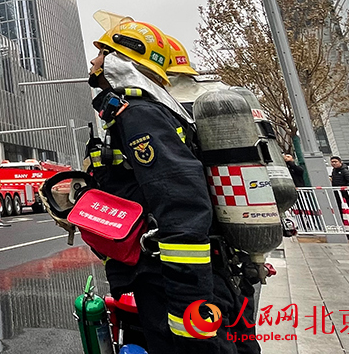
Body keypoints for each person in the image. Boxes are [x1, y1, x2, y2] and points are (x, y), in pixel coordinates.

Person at [82, 19, 244, 353]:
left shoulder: (138, 115)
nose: (93, 61)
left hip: (173, 280)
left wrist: (188, 299)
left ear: (121, 60)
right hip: (177, 276)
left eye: (101, 53)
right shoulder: (145, 113)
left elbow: (181, 200)